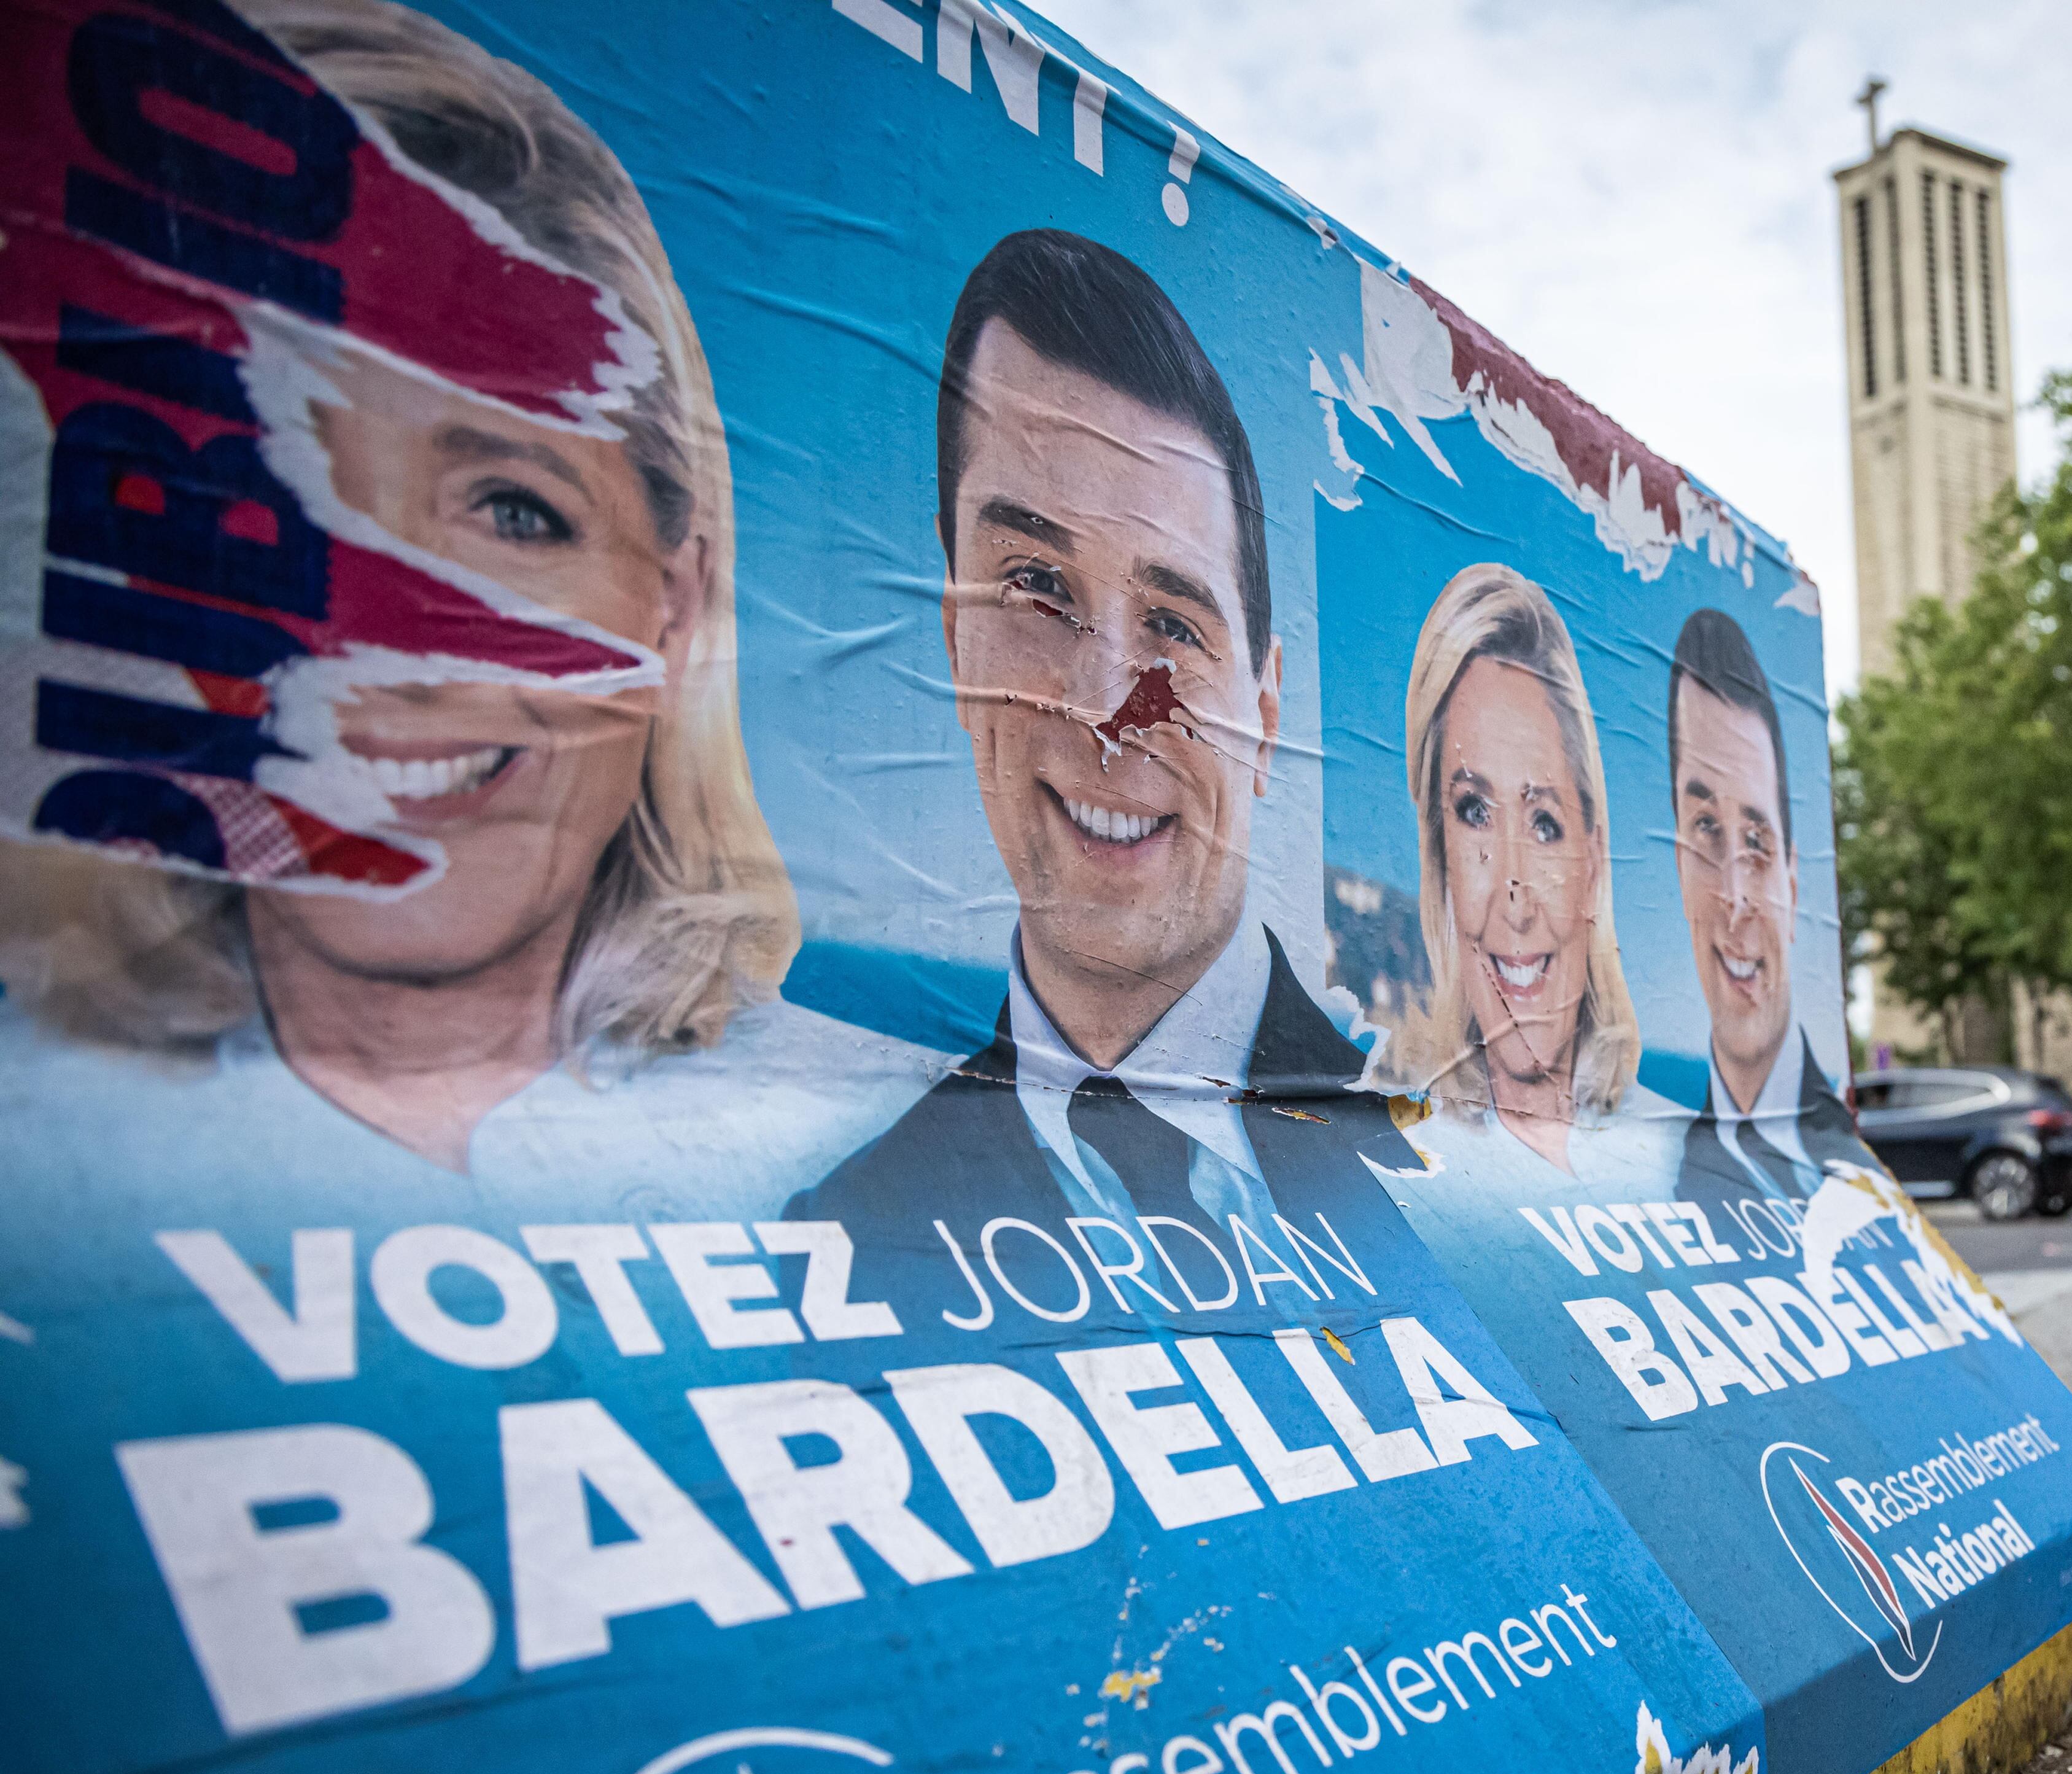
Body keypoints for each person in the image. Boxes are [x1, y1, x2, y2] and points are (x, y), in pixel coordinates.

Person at [0, 0, 926, 1222]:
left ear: (675, 596)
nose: (383, 650)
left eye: (509, 508)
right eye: (272, 489)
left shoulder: (897, 1148)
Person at [797, 230, 1418, 1259]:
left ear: (1264, 714)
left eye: (1175, 625)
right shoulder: (843, 1243)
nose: (1104, 707)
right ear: (956, 635)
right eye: (1037, 587)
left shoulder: (1442, 1167)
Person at [1370, 565, 1675, 1180]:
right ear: (1440, 858)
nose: (1514, 899)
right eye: (1474, 812)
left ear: (1591, 860)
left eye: (1543, 823)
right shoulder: (1391, 1170)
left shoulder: (1681, 1154)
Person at [1662, 609, 1858, 1205]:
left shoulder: (1854, 1178)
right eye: (1704, 828)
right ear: (1675, 863)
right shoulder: (1661, 1180)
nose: (1735, 897)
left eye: (1755, 841)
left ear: (1794, 883)